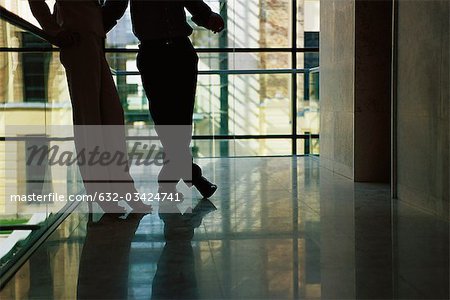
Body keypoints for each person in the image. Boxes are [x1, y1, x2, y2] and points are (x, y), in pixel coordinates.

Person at [28, 0, 151, 214]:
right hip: (77, 39)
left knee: (111, 117)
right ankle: (105, 195)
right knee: (90, 121)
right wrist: (54, 31)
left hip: (92, 38)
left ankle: (121, 191)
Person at [102, 0, 224, 201]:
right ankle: (193, 176)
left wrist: (208, 17)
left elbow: (192, 2)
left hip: (181, 52)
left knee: (182, 120)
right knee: (165, 119)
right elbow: (114, 8)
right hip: (153, 54)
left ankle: (169, 176)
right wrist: (89, 28)